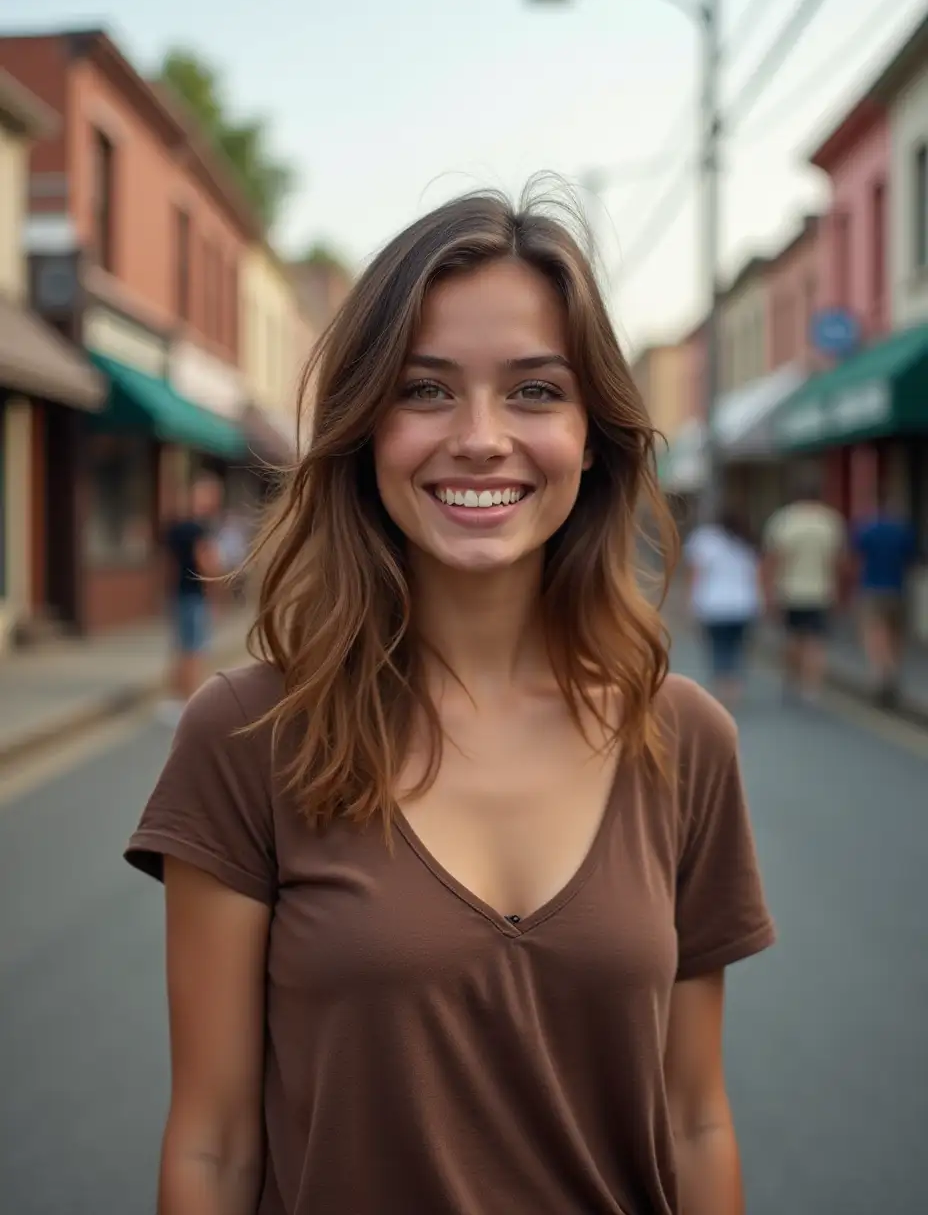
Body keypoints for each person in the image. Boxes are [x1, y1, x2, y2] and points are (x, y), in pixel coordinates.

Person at [125, 189, 775, 1215]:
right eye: (425, 390)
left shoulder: (682, 737)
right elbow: (211, 1144)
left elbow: (694, 1117)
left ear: (592, 433)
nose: (478, 437)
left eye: (532, 392)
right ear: (362, 427)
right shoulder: (248, 736)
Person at [762, 475, 846, 703]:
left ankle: (793, 679)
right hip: (821, 591)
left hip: (789, 591)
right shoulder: (830, 521)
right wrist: (839, 591)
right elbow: (837, 561)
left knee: (792, 639)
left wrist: (768, 593)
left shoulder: (783, 521)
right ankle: (812, 687)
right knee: (816, 641)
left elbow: (773, 560)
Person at [684, 500, 762, 708]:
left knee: (718, 649)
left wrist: (691, 602)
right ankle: (733, 689)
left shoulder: (704, 539)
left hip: (713, 605)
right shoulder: (748, 541)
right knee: (737, 648)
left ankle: (722, 692)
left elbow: (695, 574)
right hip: (744, 605)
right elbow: (756, 575)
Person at [159, 475, 223, 725]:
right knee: (195, 650)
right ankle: (189, 702)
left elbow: (168, 564)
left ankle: (176, 699)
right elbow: (205, 563)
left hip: (179, 593)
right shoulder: (199, 530)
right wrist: (213, 595)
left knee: (181, 648)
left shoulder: (176, 528)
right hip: (195, 595)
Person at [852, 497, 916, 706]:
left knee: (875, 633)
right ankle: (893, 673)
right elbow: (911, 559)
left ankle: (881, 674)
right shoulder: (904, 531)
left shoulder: (867, 530)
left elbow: (855, 558)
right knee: (897, 634)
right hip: (898, 589)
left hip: (872, 589)